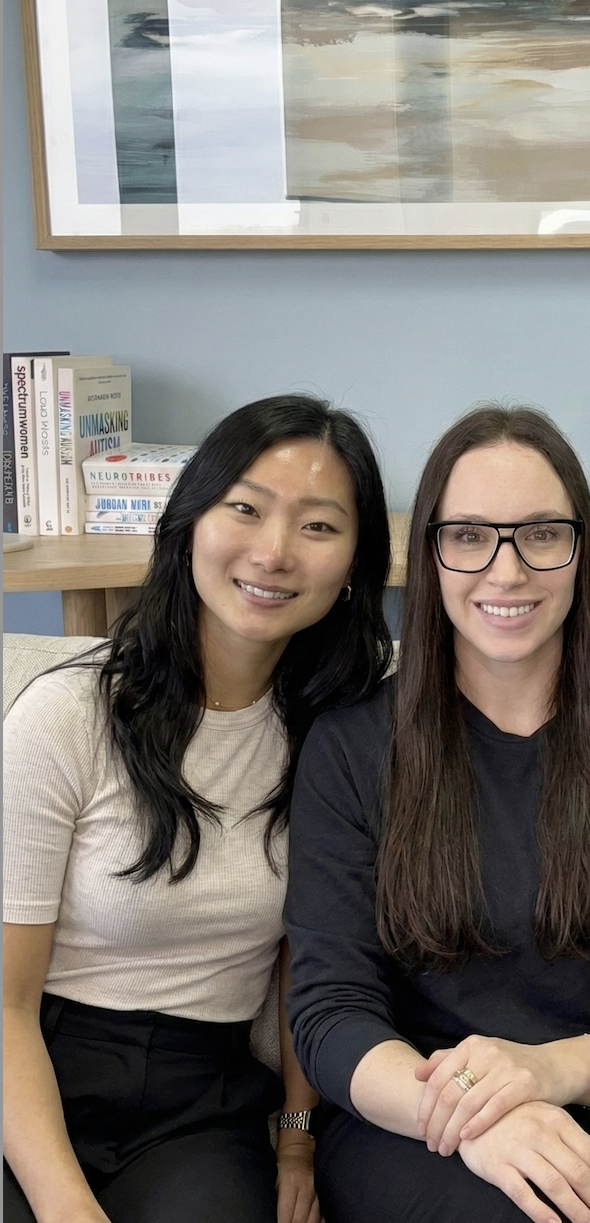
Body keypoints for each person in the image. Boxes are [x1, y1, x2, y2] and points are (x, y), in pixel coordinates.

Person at [284, 404, 590, 1223]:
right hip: (412, 1117)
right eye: (468, 536)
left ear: (580, 549)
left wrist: (548, 1074)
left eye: (540, 534)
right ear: (429, 553)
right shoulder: (349, 750)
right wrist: (476, 1112)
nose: (506, 571)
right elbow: (330, 1014)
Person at [3, 395, 393, 1223]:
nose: (274, 552)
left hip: (199, 1106)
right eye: (245, 509)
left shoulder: (342, 735)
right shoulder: (67, 715)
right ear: (190, 523)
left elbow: (310, 963)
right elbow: (4, 1005)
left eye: (319, 527)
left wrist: (295, 1138)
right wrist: (66, 1206)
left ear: (357, 562)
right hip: (35, 1068)